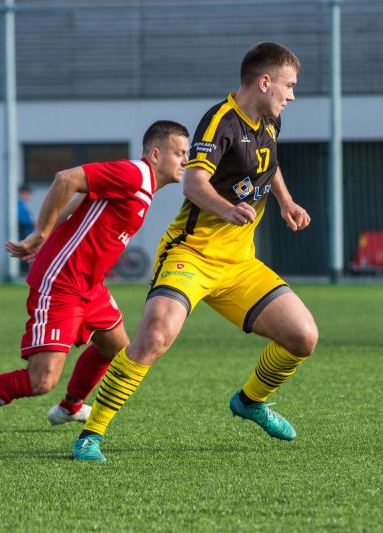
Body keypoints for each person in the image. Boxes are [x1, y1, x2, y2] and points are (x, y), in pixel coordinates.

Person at [72, 42, 318, 462]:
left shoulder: (270, 121)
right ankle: (90, 436)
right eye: (289, 85)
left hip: (239, 263)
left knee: (303, 336)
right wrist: (227, 209)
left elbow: (269, 164)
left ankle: (250, 401)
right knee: (152, 339)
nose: (292, 95)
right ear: (264, 82)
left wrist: (285, 201)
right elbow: (192, 183)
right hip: (192, 255)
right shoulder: (220, 122)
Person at [0, 120, 190, 444]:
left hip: (89, 287)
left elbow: (81, 202)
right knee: (41, 380)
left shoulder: (143, 186)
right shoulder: (134, 173)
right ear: (156, 154)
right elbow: (67, 179)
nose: (185, 160)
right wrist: (42, 233)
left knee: (116, 348)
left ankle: (70, 407)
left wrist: (48, 243)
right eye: (179, 153)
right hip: (62, 284)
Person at [17, 185, 35, 274]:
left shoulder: (23, 205)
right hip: (23, 236)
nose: (28, 196)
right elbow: (21, 220)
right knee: (26, 257)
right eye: (27, 194)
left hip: (26, 236)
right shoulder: (18, 205)